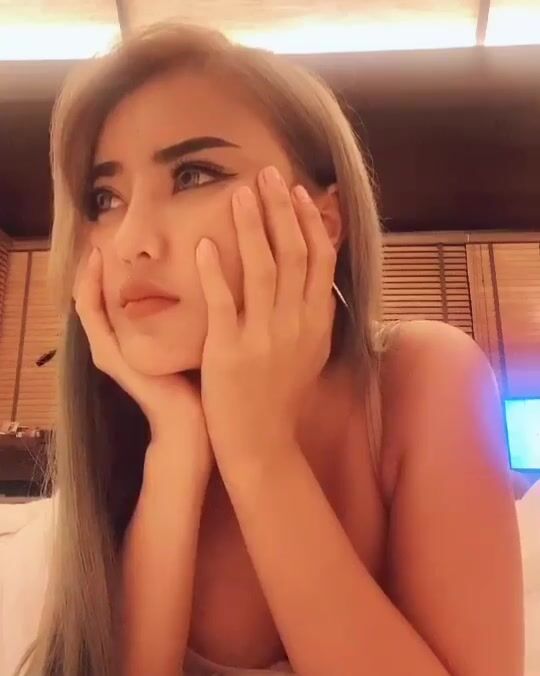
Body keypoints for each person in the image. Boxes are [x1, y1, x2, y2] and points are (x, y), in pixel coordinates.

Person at [15, 21, 523, 676]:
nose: (132, 240)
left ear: (322, 221)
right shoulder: (121, 425)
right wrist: (176, 448)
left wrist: (259, 451)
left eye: (193, 174)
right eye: (103, 198)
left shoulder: (422, 378)